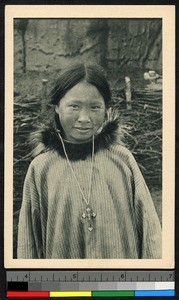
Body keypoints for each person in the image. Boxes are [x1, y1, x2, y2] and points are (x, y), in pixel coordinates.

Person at [17, 63, 162, 259]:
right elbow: (29, 243)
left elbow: (150, 231)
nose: (84, 118)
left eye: (95, 107)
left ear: (106, 109)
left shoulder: (122, 159)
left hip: (120, 283)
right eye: (74, 106)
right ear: (57, 107)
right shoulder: (41, 168)